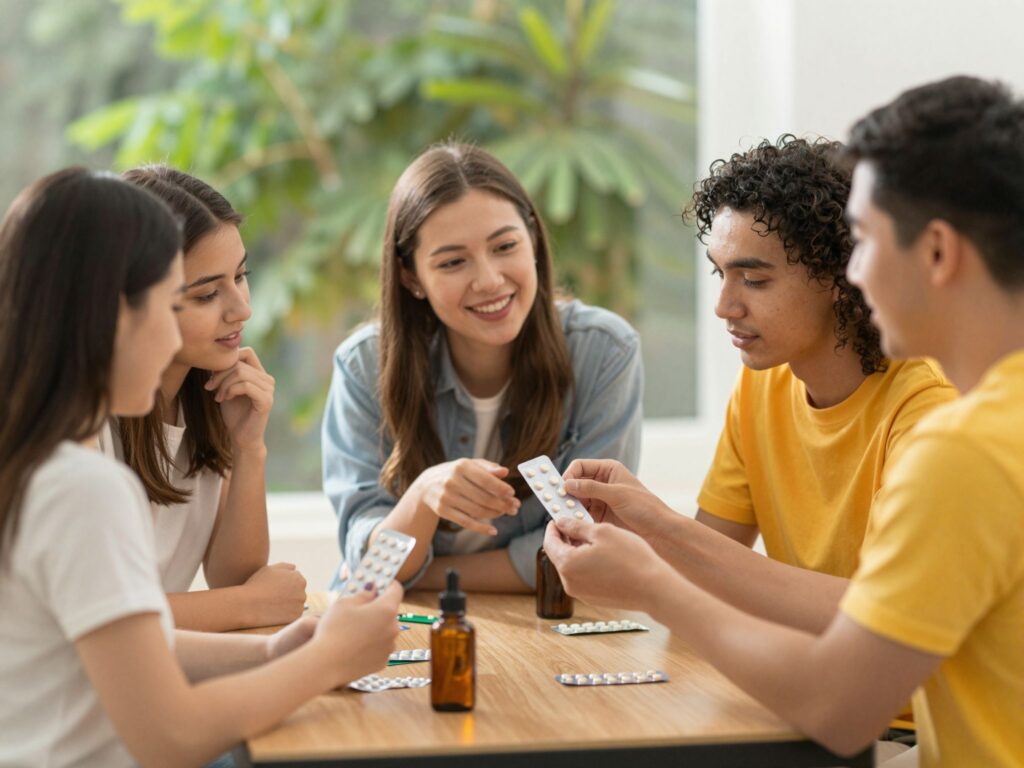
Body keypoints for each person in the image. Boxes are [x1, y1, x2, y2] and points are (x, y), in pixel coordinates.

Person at [544, 76, 1024, 766]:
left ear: (939, 253)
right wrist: (653, 528)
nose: (856, 270)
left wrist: (653, 584)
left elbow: (839, 709)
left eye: (861, 242)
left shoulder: (962, 448)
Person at [0, 168, 401, 768]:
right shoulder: (81, 487)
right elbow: (171, 738)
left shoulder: (39, 460)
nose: (170, 340)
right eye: (174, 302)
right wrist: (327, 662)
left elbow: (118, 644)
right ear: (104, 316)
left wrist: (275, 654)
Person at [322, 142, 643, 592]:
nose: (489, 280)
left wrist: (427, 576)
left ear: (532, 240)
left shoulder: (604, 351)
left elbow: (592, 543)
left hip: (542, 622)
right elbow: (369, 556)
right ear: (410, 276)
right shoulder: (363, 365)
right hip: (398, 628)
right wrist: (423, 496)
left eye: (505, 245)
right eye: (453, 261)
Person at [687, 135, 955, 578]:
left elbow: (882, 620)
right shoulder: (761, 383)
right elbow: (704, 571)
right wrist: (638, 522)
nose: (723, 306)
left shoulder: (927, 406)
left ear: (839, 273)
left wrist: (658, 533)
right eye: (721, 272)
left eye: (752, 279)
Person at [96, 165, 304, 632]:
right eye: (208, 293)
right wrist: (249, 606)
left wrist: (249, 448)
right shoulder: (85, 424)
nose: (243, 308)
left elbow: (233, 576)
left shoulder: (208, 393)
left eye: (241, 275)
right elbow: (102, 618)